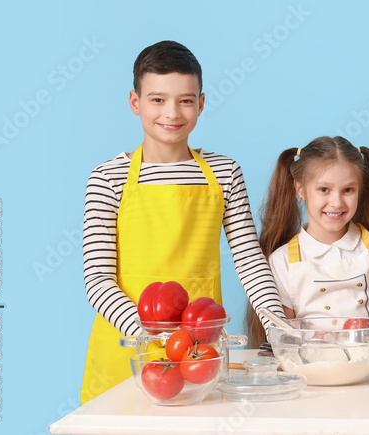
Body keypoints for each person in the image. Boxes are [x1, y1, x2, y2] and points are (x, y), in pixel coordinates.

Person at [80, 41, 284, 403]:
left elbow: (250, 261)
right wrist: (154, 337)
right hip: (127, 352)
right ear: (135, 102)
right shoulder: (107, 178)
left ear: (201, 104)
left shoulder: (224, 173)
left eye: (185, 100)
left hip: (198, 355)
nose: (171, 112)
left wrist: (279, 328)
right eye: (157, 99)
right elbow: (97, 280)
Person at [249, 137, 369, 348]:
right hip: (315, 370)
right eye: (324, 189)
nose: (336, 203)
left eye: (348, 190)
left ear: (360, 190)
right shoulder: (281, 261)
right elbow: (286, 331)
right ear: (300, 190)